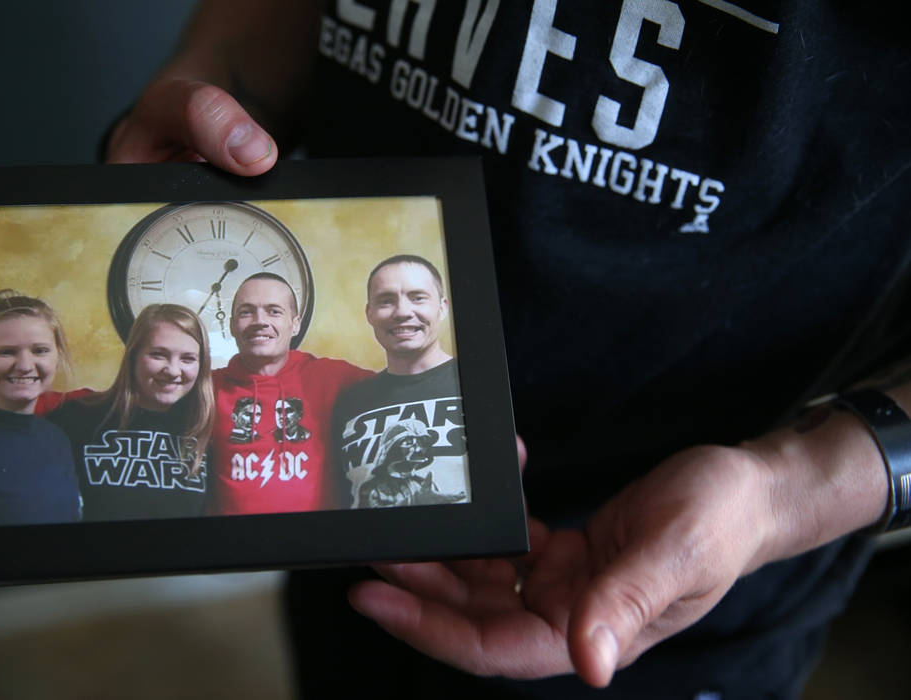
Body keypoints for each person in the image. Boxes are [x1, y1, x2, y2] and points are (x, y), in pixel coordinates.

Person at [105, 2, 911, 697]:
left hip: (671, 579)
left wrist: (783, 493)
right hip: (346, 527)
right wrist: (223, 81)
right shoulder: (325, 392)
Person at [208, 272, 373, 515]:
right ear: (232, 324)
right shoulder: (207, 388)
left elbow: (402, 382)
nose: (259, 321)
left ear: (295, 324)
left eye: (274, 311)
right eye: (246, 312)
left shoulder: (333, 377)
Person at [48, 304, 214, 522]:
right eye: (158, 355)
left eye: (188, 358)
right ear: (133, 356)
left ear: (201, 365)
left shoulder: (206, 430)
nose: (173, 370)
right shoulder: (76, 417)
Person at [335, 255, 469, 509]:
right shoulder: (349, 402)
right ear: (370, 313)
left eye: (418, 297)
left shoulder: (478, 383)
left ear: (442, 307)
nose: (403, 312)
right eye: (386, 301)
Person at [0, 289, 82, 527]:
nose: (24, 365)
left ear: (57, 356)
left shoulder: (58, 438)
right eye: (6, 352)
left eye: (40, 350)